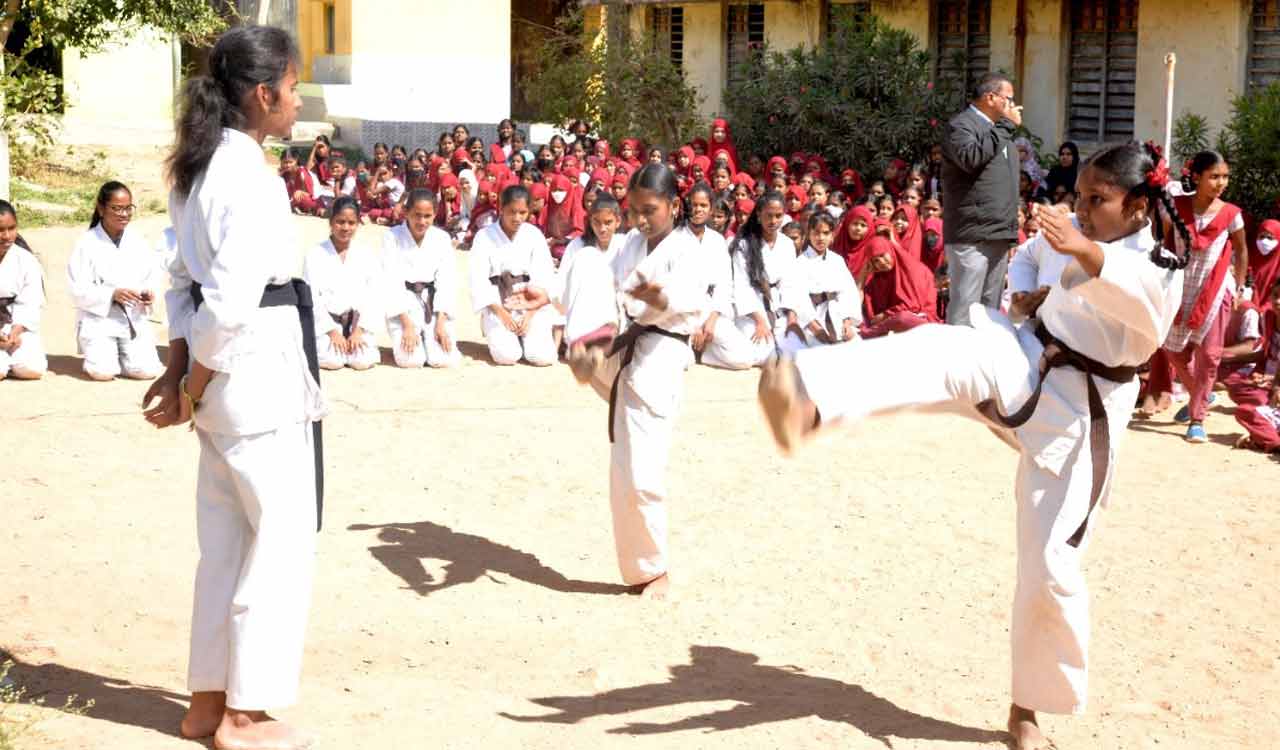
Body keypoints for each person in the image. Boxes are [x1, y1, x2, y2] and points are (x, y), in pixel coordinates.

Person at [757, 142, 1186, 750]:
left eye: (1099, 200)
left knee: (1049, 568)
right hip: (1028, 355)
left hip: (1083, 417)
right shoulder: (1069, 233)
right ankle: (811, 397)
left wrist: (1084, 252)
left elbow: (1151, 318)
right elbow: (1030, 260)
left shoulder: (1161, 261)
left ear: (1139, 205)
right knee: (945, 347)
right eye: (1081, 196)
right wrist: (1025, 291)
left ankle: (1028, 710)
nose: (1084, 209)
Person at [142, 25, 325, 750]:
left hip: (222, 387)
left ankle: (206, 702)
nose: (298, 96)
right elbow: (231, 303)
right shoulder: (245, 174)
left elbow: (182, 284)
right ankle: (245, 717)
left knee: (223, 545)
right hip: (252, 375)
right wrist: (190, 379)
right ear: (263, 93)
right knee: (277, 544)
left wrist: (180, 371)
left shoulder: (196, 167)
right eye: (293, 83)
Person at [559, 163, 710, 598]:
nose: (641, 220)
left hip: (659, 354)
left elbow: (660, 301)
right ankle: (584, 349)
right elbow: (603, 285)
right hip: (620, 346)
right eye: (634, 211)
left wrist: (629, 299)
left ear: (674, 206)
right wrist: (552, 302)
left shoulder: (688, 252)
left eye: (650, 210)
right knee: (625, 469)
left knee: (639, 470)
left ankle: (652, 569)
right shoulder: (629, 244)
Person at [1163, 151, 1248, 443]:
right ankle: (1200, 394)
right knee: (1174, 351)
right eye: (1214, 176)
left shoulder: (1231, 214)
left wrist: (1237, 287)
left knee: (1210, 355)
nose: (1221, 183)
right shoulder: (1173, 208)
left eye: (1224, 177)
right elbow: (1165, 245)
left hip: (1215, 288)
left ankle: (1197, 418)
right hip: (1180, 287)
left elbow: (1242, 251)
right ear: (1196, 177)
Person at [941, 72, 1021, 326]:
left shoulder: (998, 132)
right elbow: (970, 158)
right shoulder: (961, 126)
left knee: (990, 313)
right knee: (966, 309)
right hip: (972, 235)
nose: (1014, 106)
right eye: (1008, 99)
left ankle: (984, 365)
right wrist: (1006, 126)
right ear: (990, 97)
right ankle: (957, 366)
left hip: (998, 232)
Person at [66, 181, 164, 381]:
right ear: (101, 209)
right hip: (100, 320)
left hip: (133, 317)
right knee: (103, 372)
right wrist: (111, 294)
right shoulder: (86, 243)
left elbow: (152, 275)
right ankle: (105, 354)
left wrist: (148, 293)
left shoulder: (137, 241)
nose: (124, 214)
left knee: (147, 371)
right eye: (117, 208)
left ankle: (123, 354)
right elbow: (77, 289)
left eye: (128, 208)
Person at [701, 191, 799, 369]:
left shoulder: (787, 244)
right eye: (769, 215)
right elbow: (742, 285)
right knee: (756, 357)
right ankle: (710, 354)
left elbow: (791, 283)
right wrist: (760, 320)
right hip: (752, 311)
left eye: (778, 216)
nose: (774, 221)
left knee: (794, 352)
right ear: (759, 215)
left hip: (778, 308)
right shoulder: (744, 245)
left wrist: (792, 318)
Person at [469, 185, 557, 366]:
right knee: (508, 356)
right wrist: (501, 313)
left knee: (542, 357)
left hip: (529, 302)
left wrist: (531, 312)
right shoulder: (484, 236)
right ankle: (494, 327)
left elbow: (545, 276)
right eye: (512, 212)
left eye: (522, 212)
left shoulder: (534, 235)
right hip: (498, 302)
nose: (517, 218)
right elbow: (478, 279)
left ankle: (528, 337)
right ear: (501, 209)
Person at [384, 190, 462, 369]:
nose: (422, 221)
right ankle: (414, 337)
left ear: (435, 214)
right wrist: (407, 325)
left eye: (427, 216)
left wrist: (441, 322)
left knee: (444, 360)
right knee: (411, 360)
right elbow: (390, 280)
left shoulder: (442, 238)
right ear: (406, 212)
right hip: (403, 303)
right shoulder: (392, 236)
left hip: (432, 303)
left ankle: (431, 338)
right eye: (416, 215)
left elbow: (446, 280)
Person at [304, 196, 381, 371]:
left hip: (357, 323)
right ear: (331, 222)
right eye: (340, 222)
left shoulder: (365, 254)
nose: (346, 228)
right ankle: (329, 343)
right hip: (328, 324)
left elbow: (374, 295)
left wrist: (359, 331)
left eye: (351, 223)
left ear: (357, 224)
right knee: (333, 362)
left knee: (361, 361)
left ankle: (356, 341)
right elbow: (312, 298)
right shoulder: (316, 254)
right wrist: (332, 332)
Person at [789, 211, 861, 350]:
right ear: (808, 234)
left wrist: (847, 321)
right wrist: (815, 328)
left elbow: (848, 292)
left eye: (826, 233)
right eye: (816, 233)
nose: (820, 238)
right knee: (821, 350)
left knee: (856, 346)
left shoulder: (837, 260)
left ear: (832, 235)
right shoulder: (800, 263)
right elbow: (798, 299)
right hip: (813, 320)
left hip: (838, 315)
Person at [1226, 282, 1280, 452]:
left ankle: (1270, 440)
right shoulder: (1269, 318)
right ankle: (1268, 438)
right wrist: (1259, 373)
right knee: (1238, 395)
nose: (1278, 301)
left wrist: (1275, 384)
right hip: (1271, 383)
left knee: (1250, 408)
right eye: (1275, 295)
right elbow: (1265, 354)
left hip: (1275, 385)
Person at [0, 200, 47, 381]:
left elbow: (31, 301)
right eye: (0, 230)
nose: (6, 236)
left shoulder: (25, 259)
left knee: (33, 369)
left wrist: (15, 331)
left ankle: (8, 361)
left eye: (11, 228)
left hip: (13, 325)